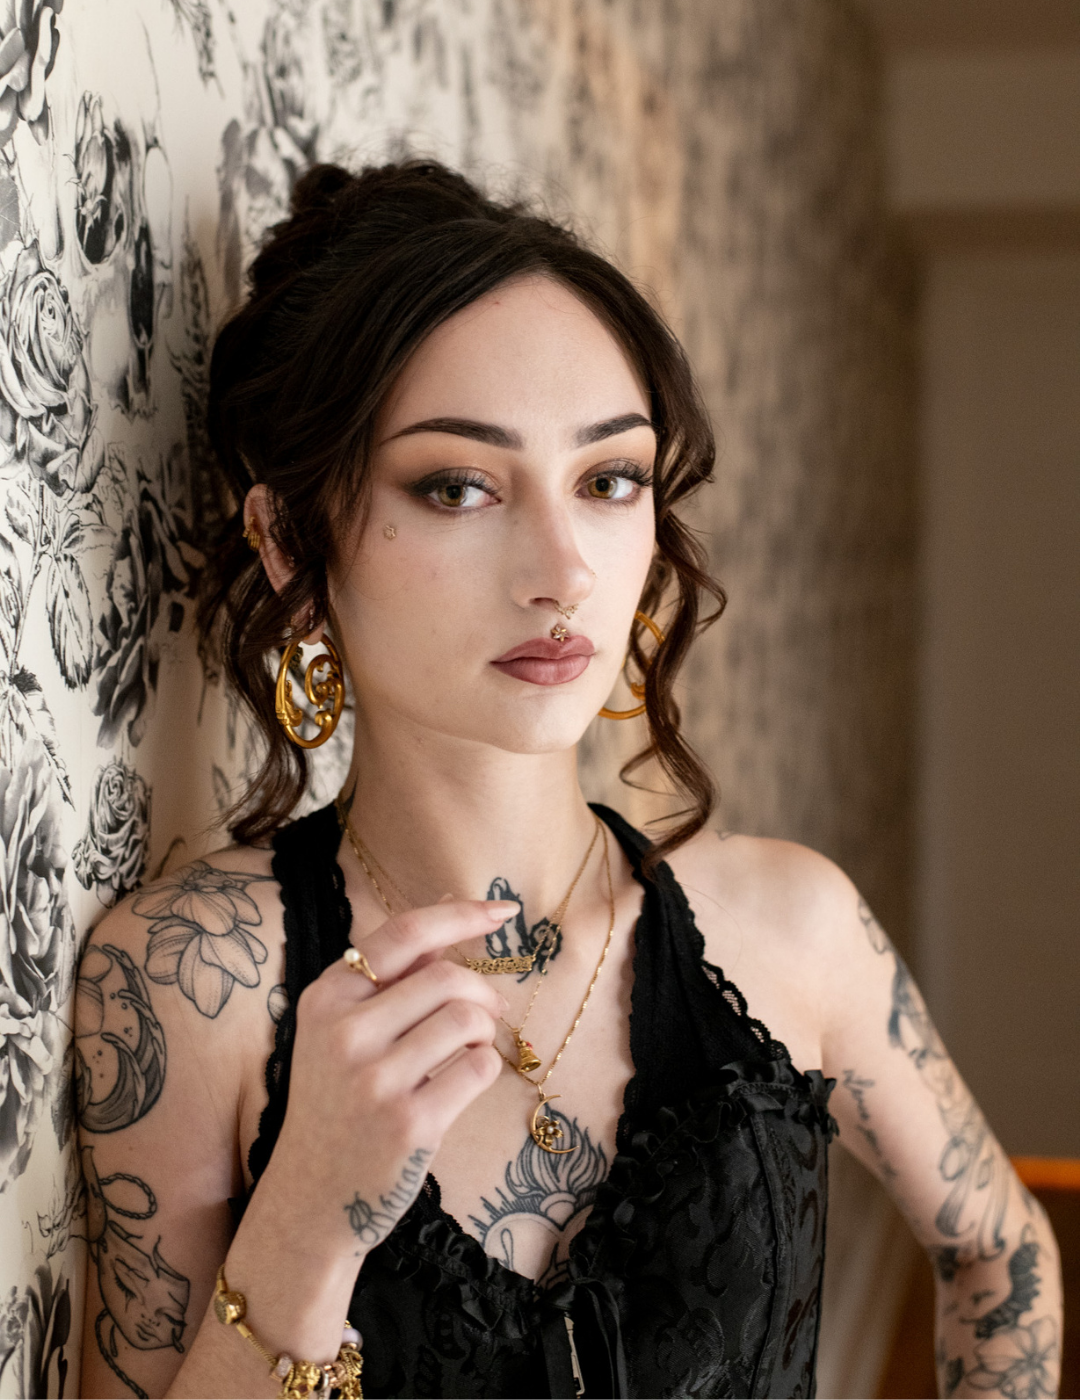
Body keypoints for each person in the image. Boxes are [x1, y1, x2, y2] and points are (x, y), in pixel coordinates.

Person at [76, 160, 1061, 1400]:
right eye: (458, 485)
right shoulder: (186, 982)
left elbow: (998, 1250)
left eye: (608, 479)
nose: (562, 570)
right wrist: (302, 1229)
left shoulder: (792, 931)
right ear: (289, 542)